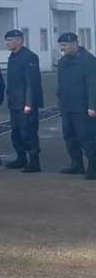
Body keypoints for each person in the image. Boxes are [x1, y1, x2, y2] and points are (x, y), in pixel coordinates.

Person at [55, 32, 96, 179]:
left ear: (74, 44)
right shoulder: (63, 62)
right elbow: (60, 85)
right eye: (61, 46)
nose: (63, 49)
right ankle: (76, 164)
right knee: (70, 137)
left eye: (65, 46)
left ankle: (93, 167)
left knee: (87, 138)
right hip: (67, 107)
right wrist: (60, 104)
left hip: (83, 107)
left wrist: (93, 106)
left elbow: (93, 85)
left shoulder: (89, 60)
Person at [5, 29, 44, 173]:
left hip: (25, 103)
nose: (7, 43)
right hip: (15, 102)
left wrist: (29, 103)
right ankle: (21, 158)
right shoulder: (13, 57)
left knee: (28, 133)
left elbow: (31, 83)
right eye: (7, 40)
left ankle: (34, 162)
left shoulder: (29, 57)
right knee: (16, 132)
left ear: (20, 40)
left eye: (10, 40)